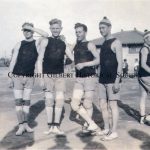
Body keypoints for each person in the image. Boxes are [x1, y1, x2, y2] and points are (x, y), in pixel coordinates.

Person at [9, 22, 48, 136]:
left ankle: (25, 124)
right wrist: (10, 77)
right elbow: (13, 61)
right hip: (17, 76)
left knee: (26, 103)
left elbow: (45, 34)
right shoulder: (18, 44)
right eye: (24, 30)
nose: (26, 32)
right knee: (18, 102)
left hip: (30, 77)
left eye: (29, 30)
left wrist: (33, 28)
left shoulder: (37, 43)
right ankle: (21, 125)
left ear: (32, 31)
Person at [37, 19, 73, 135]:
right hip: (47, 75)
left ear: (61, 29)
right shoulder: (45, 41)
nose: (55, 30)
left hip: (60, 75)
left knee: (60, 100)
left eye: (57, 28)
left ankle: (56, 126)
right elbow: (39, 60)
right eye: (53, 28)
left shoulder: (63, 43)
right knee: (48, 101)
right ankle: (49, 127)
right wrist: (41, 77)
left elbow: (72, 57)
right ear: (50, 29)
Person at [70, 23, 100, 133]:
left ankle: (88, 125)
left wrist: (84, 64)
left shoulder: (90, 44)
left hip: (90, 77)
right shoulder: (75, 45)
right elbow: (68, 52)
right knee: (74, 104)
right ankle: (91, 123)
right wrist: (74, 44)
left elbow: (98, 60)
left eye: (80, 32)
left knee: (87, 103)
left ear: (85, 32)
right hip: (79, 78)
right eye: (76, 32)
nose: (78, 34)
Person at [98, 17, 123, 140]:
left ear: (109, 27)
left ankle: (114, 131)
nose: (101, 30)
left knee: (112, 105)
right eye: (100, 28)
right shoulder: (103, 43)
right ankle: (106, 128)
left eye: (103, 28)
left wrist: (117, 81)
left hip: (113, 79)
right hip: (102, 79)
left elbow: (120, 63)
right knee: (102, 104)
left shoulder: (116, 42)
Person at [138, 30, 150, 124]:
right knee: (143, 96)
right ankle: (148, 117)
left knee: (143, 96)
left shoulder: (147, 48)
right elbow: (143, 64)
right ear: (145, 39)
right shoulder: (145, 49)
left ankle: (142, 117)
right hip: (146, 75)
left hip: (142, 75)